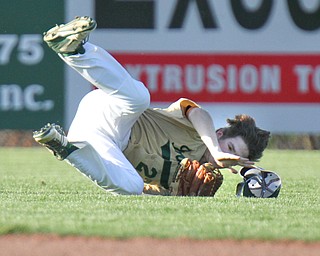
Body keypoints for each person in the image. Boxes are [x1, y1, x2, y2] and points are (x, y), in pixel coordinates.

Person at [33, 16, 270, 196]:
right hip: (112, 115)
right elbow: (198, 113)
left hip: (97, 142)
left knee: (132, 186)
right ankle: (76, 51)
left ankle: (64, 148)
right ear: (219, 134)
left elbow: (149, 189)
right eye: (230, 146)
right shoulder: (199, 130)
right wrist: (216, 150)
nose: (228, 155)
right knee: (139, 97)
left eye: (235, 156)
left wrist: (182, 195)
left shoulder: (199, 180)